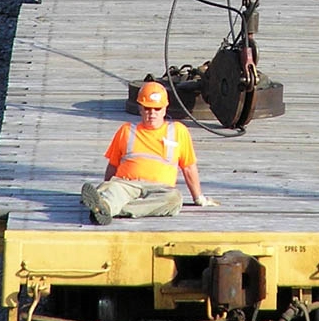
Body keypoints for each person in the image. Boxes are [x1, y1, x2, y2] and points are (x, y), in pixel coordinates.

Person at [81, 81, 218, 224]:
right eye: (147, 108)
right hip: (127, 184)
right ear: (140, 108)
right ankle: (106, 204)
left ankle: (107, 209)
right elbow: (113, 165)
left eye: (157, 109)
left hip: (161, 189)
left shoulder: (179, 131)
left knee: (174, 199)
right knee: (115, 190)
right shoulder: (126, 130)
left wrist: (198, 198)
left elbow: (189, 167)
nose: (152, 113)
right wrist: (107, 185)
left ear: (165, 109)